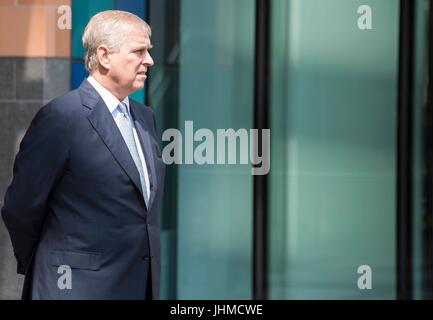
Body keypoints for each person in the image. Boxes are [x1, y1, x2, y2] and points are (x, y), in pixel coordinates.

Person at [1, 10, 165, 300]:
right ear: (104, 56)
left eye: (148, 51)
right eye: (139, 51)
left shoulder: (145, 117)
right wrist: (49, 263)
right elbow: (21, 206)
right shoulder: (62, 117)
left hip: (137, 285)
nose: (149, 61)